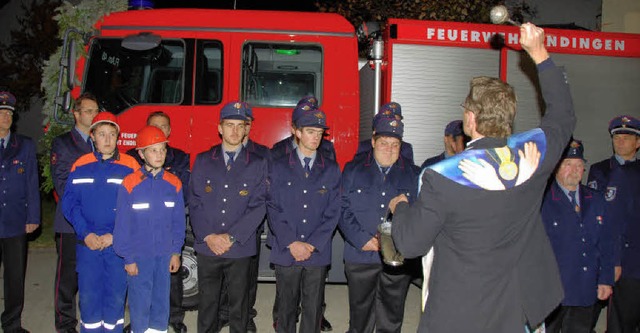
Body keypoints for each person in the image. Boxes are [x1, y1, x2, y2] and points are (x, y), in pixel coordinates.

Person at [388, 23, 574, 332]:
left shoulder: (442, 176)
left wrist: (401, 207)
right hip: (515, 312)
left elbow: (409, 244)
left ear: (470, 119)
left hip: (459, 314)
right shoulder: (534, 154)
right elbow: (563, 115)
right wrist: (540, 53)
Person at [189, 101, 267, 333]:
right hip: (208, 246)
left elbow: (259, 204)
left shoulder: (258, 163)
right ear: (220, 128)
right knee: (208, 305)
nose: (234, 130)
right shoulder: (203, 160)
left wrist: (231, 237)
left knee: (239, 307)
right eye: (229, 125)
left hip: (239, 247)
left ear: (246, 129)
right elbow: (195, 201)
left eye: (239, 125)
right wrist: (210, 237)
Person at [339, 113, 419, 332]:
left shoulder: (414, 175)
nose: (389, 149)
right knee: (360, 315)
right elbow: (341, 207)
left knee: (391, 316)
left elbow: (420, 215)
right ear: (373, 141)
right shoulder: (353, 170)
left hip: (397, 258)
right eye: (384, 143)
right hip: (360, 254)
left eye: (395, 144)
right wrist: (361, 239)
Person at [62, 112, 139, 333]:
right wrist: (85, 233)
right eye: (102, 134)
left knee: (115, 297)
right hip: (88, 245)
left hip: (117, 245)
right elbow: (70, 204)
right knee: (88, 297)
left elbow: (137, 207)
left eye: (112, 134)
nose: (107, 139)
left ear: (118, 137)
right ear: (93, 136)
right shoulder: (80, 165)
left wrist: (115, 236)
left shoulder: (130, 165)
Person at [268, 107, 341, 333]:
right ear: (296, 132)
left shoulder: (330, 169)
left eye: (320, 132)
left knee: (313, 310)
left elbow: (333, 210)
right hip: (286, 248)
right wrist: (292, 242)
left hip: (316, 251)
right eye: (310, 131)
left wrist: (313, 244)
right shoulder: (279, 166)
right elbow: (272, 206)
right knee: (286, 309)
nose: (316, 137)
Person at [113, 125, 186, 333]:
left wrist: (175, 252)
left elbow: (178, 223)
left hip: (164, 256)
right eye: (153, 150)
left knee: (161, 304)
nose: (159, 154)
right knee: (140, 304)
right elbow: (122, 225)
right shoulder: (130, 184)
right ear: (141, 153)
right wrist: (128, 258)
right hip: (139, 257)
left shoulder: (174, 184)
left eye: (162, 149)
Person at [541, 139, 614, 333]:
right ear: (556, 167)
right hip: (553, 292)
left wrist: (606, 279)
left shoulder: (596, 199)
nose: (574, 170)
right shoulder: (543, 201)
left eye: (579, 165)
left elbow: (606, 243)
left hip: (585, 289)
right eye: (568, 164)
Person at [50, 92, 99, 333]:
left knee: (91, 277)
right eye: (88, 111)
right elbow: (62, 183)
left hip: (97, 224)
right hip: (70, 222)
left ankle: (90, 318)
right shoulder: (63, 143)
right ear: (76, 114)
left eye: (95, 111)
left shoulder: (100, 142)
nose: (93, 115)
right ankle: (65, 323)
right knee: (67, 278)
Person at [588, 116, 640, 333]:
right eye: (617, 136)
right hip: (608, 257)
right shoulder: (601, 170)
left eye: (627, 137)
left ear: (638, 143)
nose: (621, 140)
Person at [0, 91, 40, 333]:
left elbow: (31, 184)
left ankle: (12, 323)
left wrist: (33, 217)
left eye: (8, 113)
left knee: (15, 276)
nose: (4, 117)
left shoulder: (24, 145)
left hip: (15, 221)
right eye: (0, 112)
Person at [271, 96, 336, 162]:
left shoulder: (327, 149)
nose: (316, 137)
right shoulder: (279, 151)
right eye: (310, 131)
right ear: (294, 129)